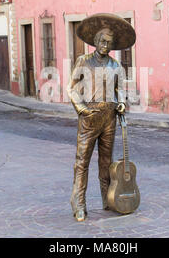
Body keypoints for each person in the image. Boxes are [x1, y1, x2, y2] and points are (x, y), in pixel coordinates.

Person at [67, 13, 136, 222]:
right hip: (89, 118)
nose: (106, 46)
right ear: (96, 42)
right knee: (82, 162)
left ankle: (108, 199)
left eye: (110, 43)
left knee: (106, 162)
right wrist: (81, 109)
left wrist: (122, 103)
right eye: (103, 42)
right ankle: (79, 203)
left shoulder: (116, 66)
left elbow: (120, 90)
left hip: (109, 119)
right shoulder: (84, 61)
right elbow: (71, 89)